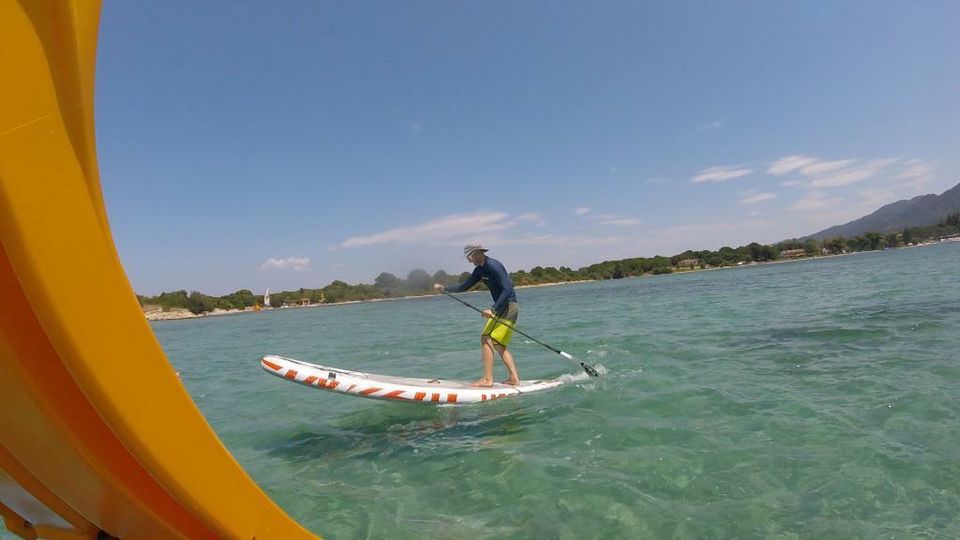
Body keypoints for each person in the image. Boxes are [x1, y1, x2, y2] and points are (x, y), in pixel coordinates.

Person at [433, 244, 520, 387]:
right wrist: (444, 289)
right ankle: (514, 378)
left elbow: (508, 288)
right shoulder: (479, 270)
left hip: (509, 306)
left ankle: (487, 379)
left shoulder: (493, 265)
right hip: (501, 307)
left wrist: (493, 309)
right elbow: (464, 286)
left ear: (478, 253)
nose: (468, 259)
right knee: (498, 344)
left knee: (486, 338)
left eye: (469, 256)